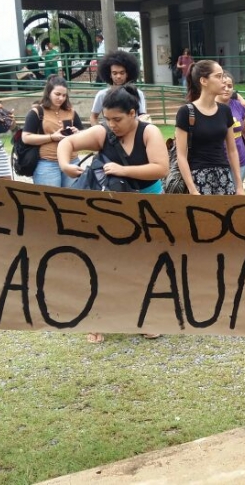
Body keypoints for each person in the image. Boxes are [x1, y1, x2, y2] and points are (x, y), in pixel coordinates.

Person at [59, 86, 169, 343]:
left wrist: (122, 170)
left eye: (117, 119)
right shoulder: (103, 132)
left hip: (147, 205)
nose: (112, 124)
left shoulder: (149, 132)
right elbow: (68, 142)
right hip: (110, 209)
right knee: (102, 263)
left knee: (144, 264)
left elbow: (161, 168)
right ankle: (97, 319)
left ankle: (145, 317)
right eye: (108, 119)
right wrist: (65, 164)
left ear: (133, 113)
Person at [174, 60, 245, 195]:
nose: (223, 81)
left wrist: (239, 185)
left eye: (222, 76)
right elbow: (181, 156)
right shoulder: (186, 112)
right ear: (204, 81)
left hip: (223, 176)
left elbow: (232, 150)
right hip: (197, 178)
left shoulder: (225, 111)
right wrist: (192, 189)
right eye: (218, 76)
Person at [22, 77, 83, 187]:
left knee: (73, 200)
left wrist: (77, 133)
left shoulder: (71, 111)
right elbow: (26, 137)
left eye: (64, 95)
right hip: (47, 162)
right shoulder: (37, 112)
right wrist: (51, 137)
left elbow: (83, 134)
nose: (61, 98)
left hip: (71, 161)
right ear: (49, 93)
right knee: (50, 200)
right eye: (57, 94)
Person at [90, 51, 147, 126]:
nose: (118, 76)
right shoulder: (102, 95)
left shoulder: (137, 93)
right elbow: (93, 117)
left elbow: (143, 117)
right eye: (115, 73)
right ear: (110, 74)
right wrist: (101, 133)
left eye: (122, 73)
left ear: (127, 74)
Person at [219, 74, 245, 181]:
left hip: (241, 160)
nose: (226, 89)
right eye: (223, 86)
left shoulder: (237, 105)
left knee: (237, 194)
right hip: (219, 162)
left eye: (230, 86)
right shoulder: (210, 107)